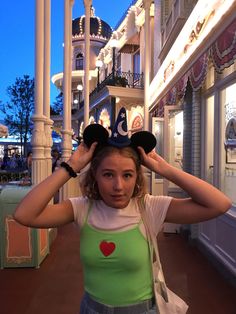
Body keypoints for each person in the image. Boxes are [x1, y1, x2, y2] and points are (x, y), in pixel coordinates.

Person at [14, 107, 231, 314]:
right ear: (95, 176)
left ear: (136, 177)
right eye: (108, 174)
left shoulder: (149, 207)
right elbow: (25, 214)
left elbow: (219, 204)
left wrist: (164, 169)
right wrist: (71, 166)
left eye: (127, 175)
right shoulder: (82, 208)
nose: (118, 186)